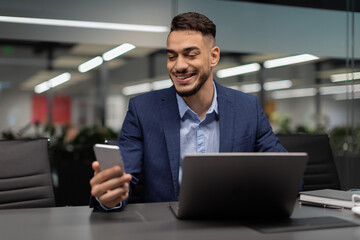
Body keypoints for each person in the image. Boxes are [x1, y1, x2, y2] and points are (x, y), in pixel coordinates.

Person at [90, 12, 286, 211]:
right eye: (172, 56)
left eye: (190, 55)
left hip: (231, 225)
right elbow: (123, 180)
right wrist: (109, 197)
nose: (179, 66)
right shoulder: (142, 110)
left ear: (213, 56)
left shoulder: (247, 108)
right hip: (166, 229)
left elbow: (286, 176)